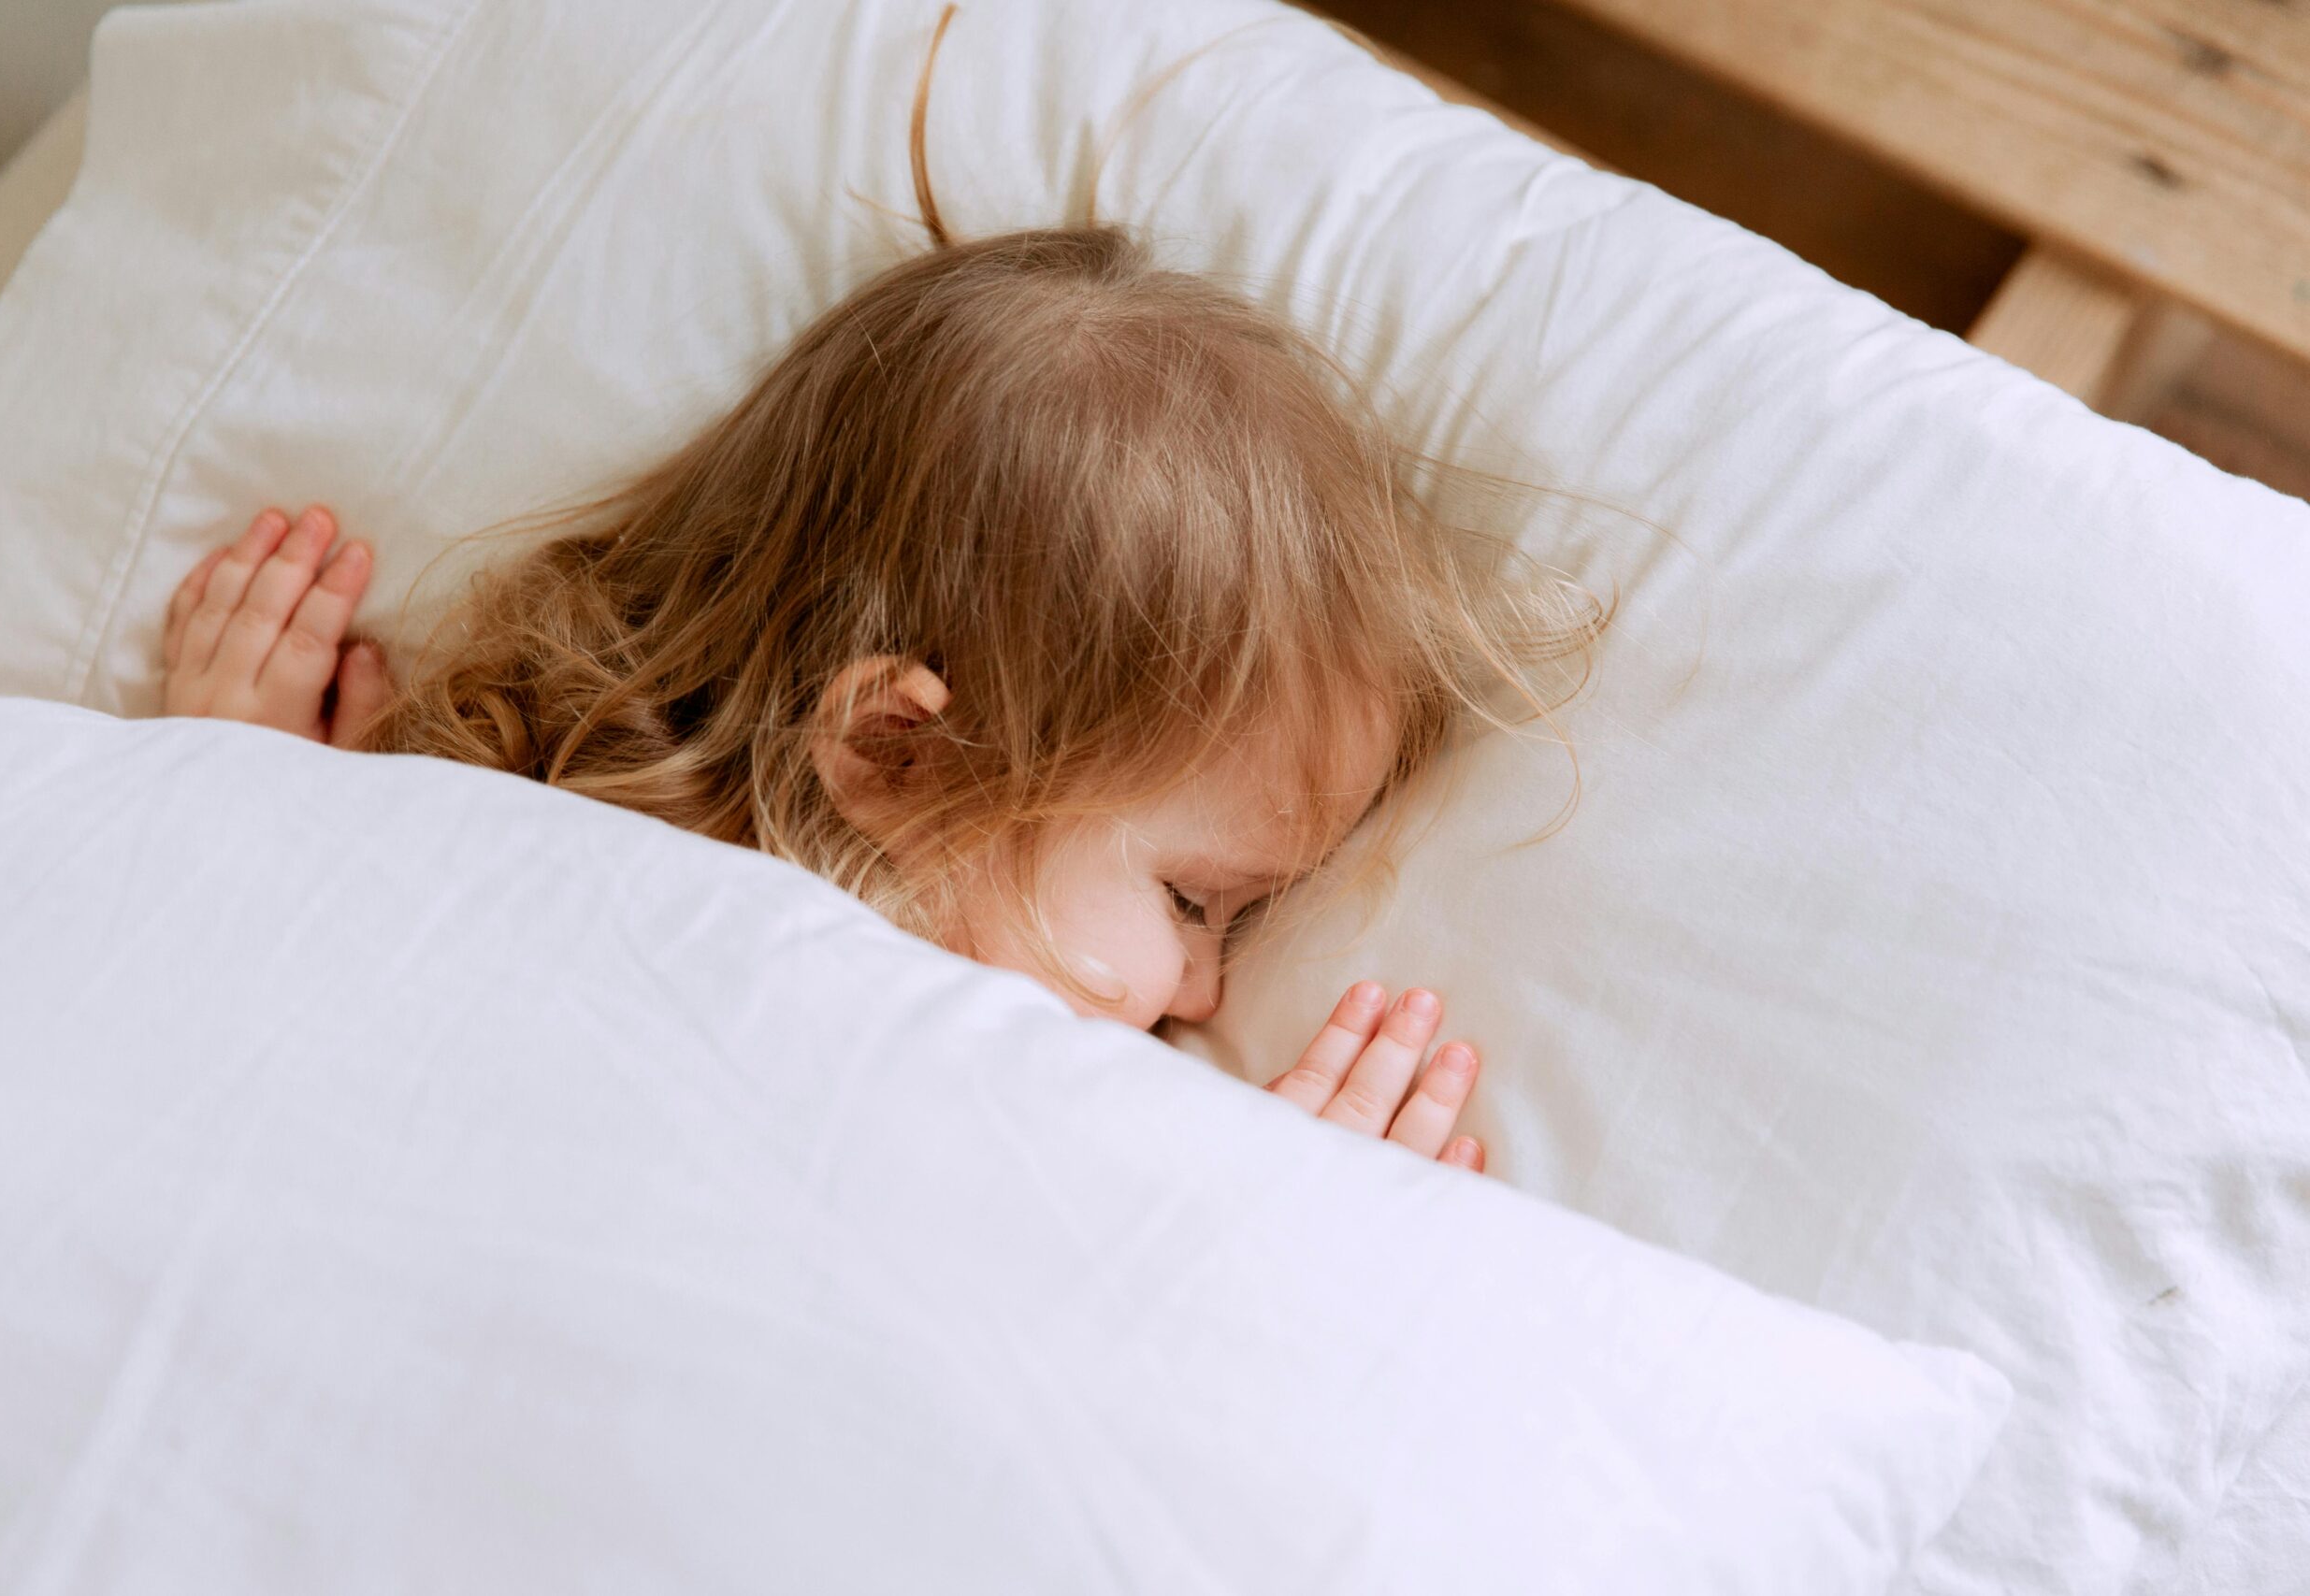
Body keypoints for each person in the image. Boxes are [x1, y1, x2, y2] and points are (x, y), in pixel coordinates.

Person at [157, 34, 1607, 1173]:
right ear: (896, 755)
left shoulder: (1025, 1098)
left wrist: (1241, 1205)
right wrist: (242, 812)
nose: (1203, 995)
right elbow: (276, 1074)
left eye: (1228, 922)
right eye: (1187, 900)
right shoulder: (499, 850)